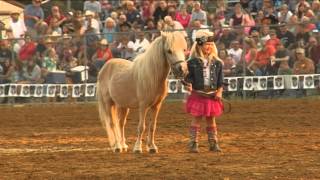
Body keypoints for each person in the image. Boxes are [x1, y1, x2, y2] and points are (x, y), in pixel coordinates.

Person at [184, 30, 224, 153]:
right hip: (198, 95)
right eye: (207, 44)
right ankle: (193, 143)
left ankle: (213, 143)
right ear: (199, 46)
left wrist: (219, 92)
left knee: (211, 119)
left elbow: (220, 80)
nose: (209, 47)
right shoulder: (192, 63)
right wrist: (188, 84)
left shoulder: (218, 63)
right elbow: (188, 78)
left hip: (212, 96)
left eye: (211, 45)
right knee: (196, 118)